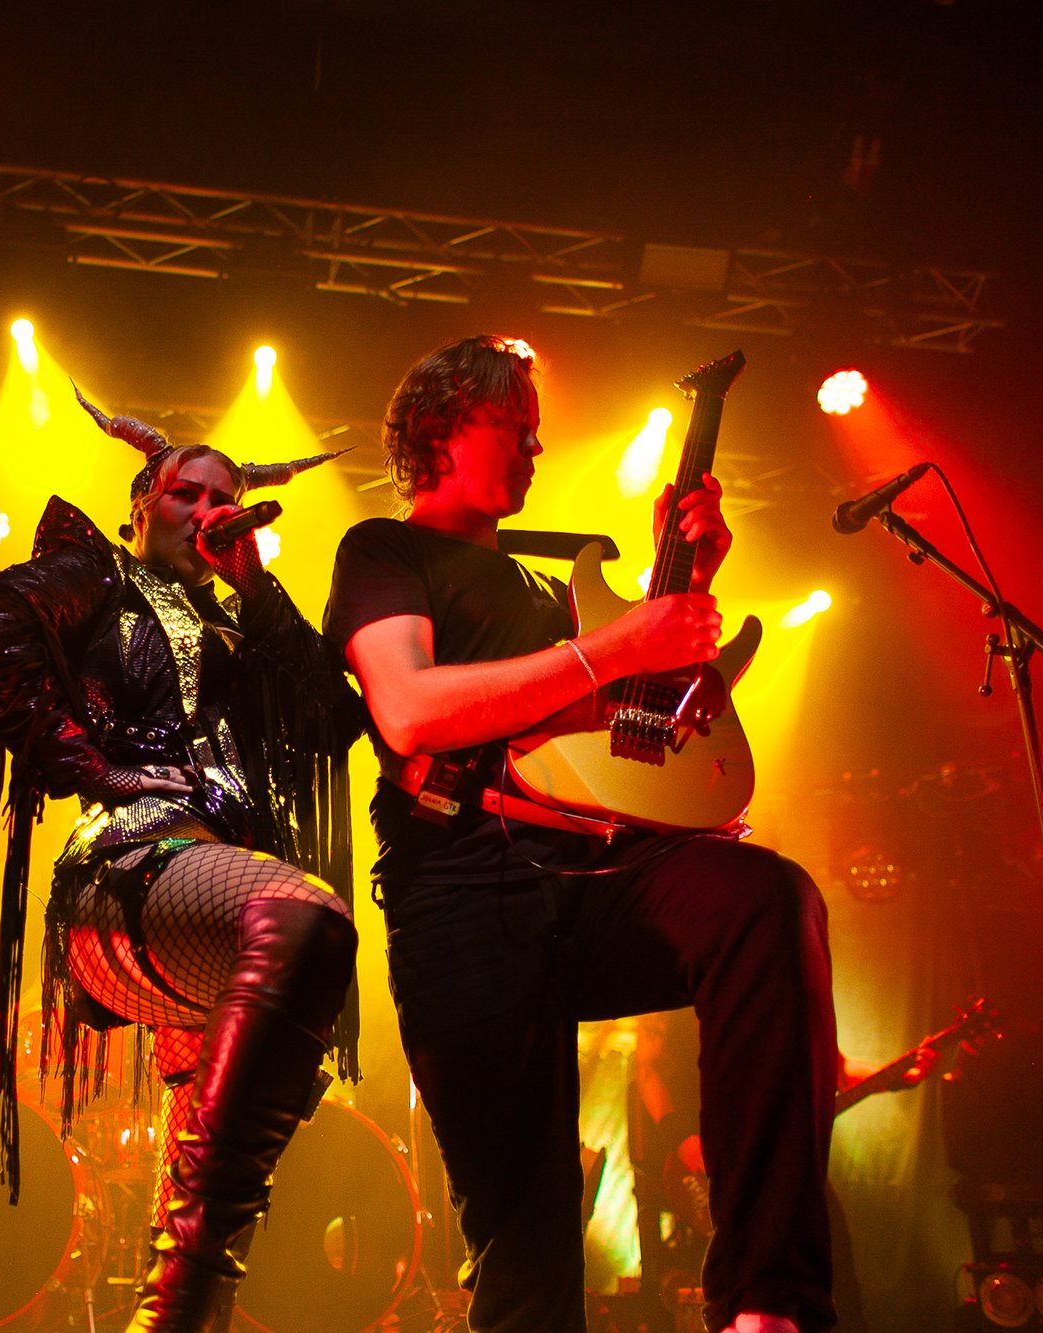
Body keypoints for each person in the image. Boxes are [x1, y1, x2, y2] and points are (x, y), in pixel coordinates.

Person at [324, 335, 837, 1333]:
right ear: (439, 428)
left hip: (594, 876)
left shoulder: (547, 591)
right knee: (528, 1263)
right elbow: (409, 713)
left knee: (764, 900)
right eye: (513, 430)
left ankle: (765, 1304)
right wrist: (612, 644)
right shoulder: (383, 552)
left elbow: (638, 732)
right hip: (462, 894)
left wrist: (678, 592)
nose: (533, 451)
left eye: (536, 434)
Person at [0, 390, 360, 1332]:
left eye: (222, 500)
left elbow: (337, 717)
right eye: (185, 494)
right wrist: (95, 765)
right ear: (140, 506)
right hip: (125, 874)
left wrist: (254, 581)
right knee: (307, 916)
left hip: (216, 898)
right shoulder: (98, 577)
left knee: (220, 1174)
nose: (205, 511)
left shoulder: (243, 629)